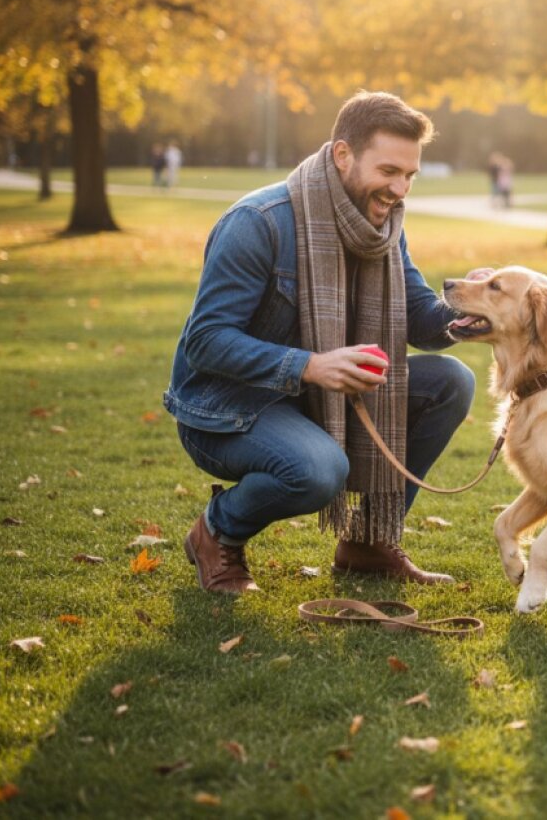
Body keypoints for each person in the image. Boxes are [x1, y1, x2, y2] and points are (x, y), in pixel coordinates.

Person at [163, 91, 478, 594]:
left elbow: (419, 319)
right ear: (342, 155)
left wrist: (469, 309)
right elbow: (205, 341)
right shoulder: (259, 222)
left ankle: (369, 542)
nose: (400, 189)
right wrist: (308, 365)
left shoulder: (383, 226)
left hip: (313, 398)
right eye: (389, 170)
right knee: (317, 470)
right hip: (227, 410)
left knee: (451, 383)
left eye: (410, 176)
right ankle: (217, 531)